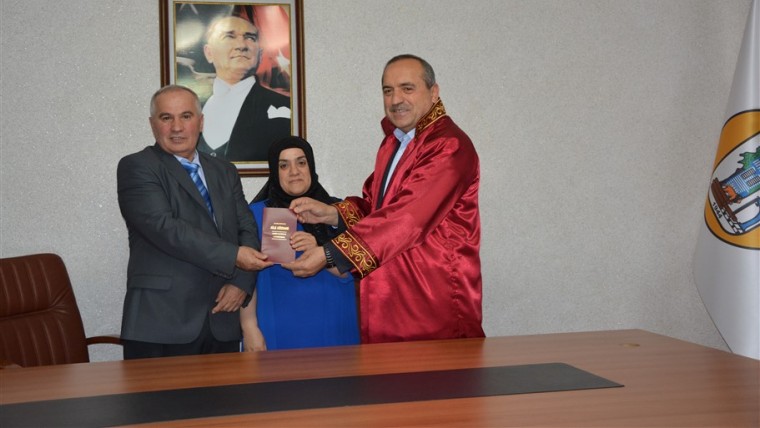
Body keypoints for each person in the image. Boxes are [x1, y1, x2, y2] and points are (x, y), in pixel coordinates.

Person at [283, 54, 485, 344]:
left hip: (430, 300)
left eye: (407, 88)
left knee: (436, 374)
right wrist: (331, 213)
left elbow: (407, 218)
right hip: (389, 294)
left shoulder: (448, 145)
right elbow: (376, 207)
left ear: (434, 92)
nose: (395, 99)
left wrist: (330, 254)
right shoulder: (395, 141)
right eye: (388, 91)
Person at [117, 85, 272, 359]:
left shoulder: (224, 171)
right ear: (153, 124)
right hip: (161, 324)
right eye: (166, 117)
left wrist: (241, 283)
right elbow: (165, 229)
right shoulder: (137, 167)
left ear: (200, 122)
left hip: (222, 320)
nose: (177, 127)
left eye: (186, 116)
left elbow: (246, 227)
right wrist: (235, 256)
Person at [240, 136, 359, 351]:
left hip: (335, 324)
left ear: (311, 166)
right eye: (284, 165)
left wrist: (322, 252)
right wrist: (248, 326)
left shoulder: (338, 213)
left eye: (301, 163)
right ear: (274, 172)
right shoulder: (256, 214)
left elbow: (355, 273)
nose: (294, 171)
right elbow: (245, 277)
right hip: (277, 326)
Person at [197, 14, 292, 162]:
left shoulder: (286, 107)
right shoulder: (193, 107)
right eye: (229, 36)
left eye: (250, 38)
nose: (241, 46)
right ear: (209, 53)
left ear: (260, 55)